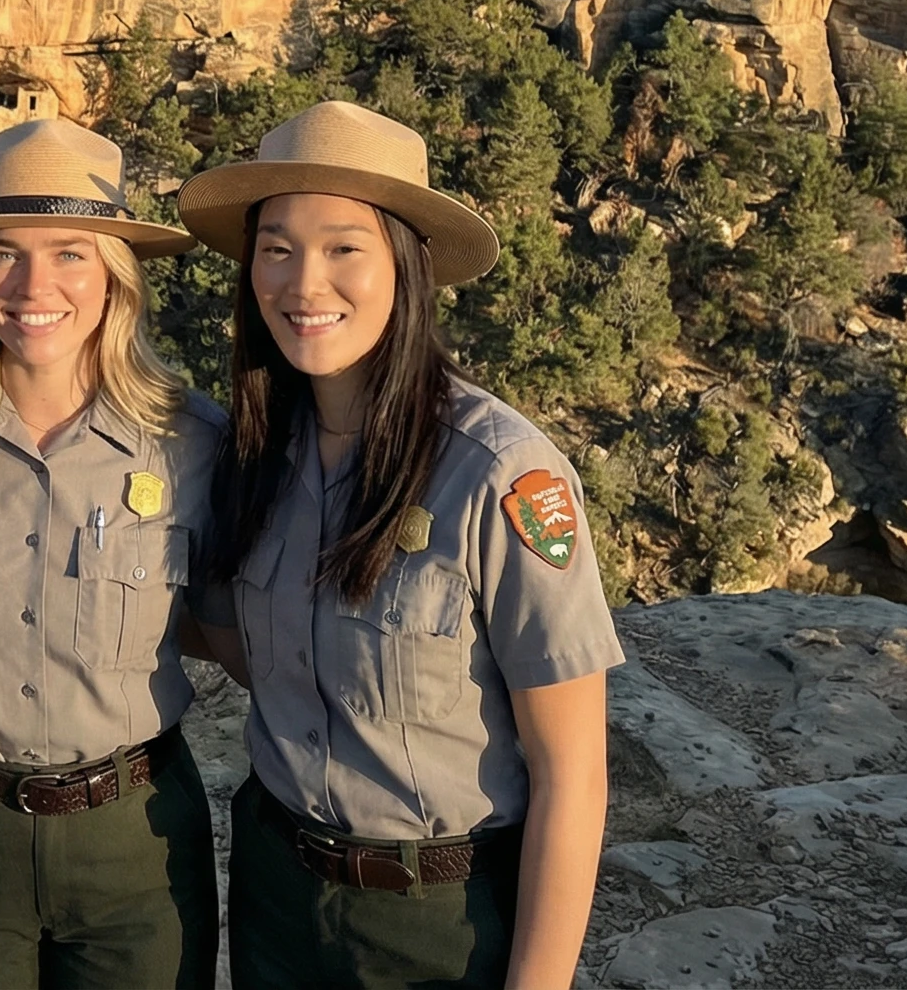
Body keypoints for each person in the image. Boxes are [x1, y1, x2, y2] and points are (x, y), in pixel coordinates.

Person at [178, 101, 622, 990]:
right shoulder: (255, 456)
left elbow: (572, 771)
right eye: (276, 248)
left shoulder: (500, 476)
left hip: (440, 924)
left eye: (344, 247)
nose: (305, 284)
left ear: (406, 266)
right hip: (276, 891)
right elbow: (235, 641)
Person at [0, 117, 227, 990]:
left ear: (115, 277)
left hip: (133, 837)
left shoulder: (192, 442)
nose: (35, 285)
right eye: (3, 254)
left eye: (71, 252)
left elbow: (245, 622)